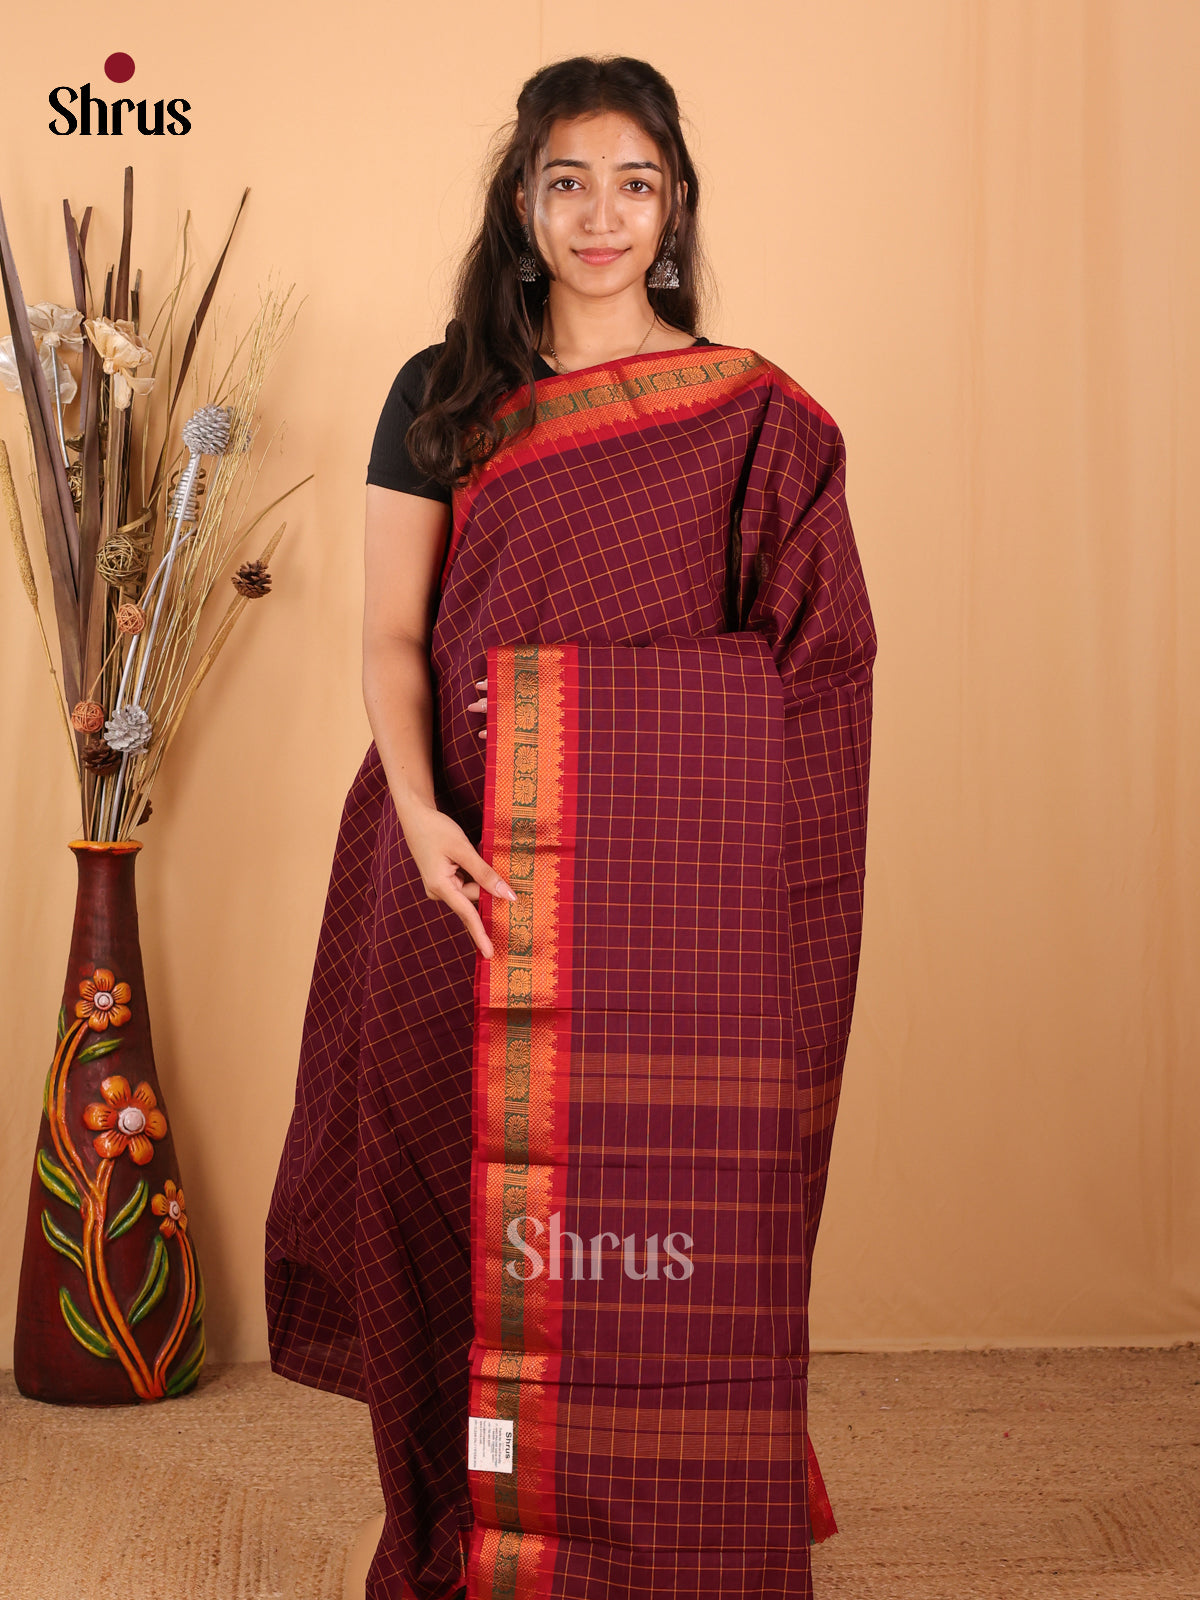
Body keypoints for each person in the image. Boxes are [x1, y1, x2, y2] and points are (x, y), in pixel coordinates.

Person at [266, 53, 875, 1600]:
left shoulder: (751, 420)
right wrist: (419, 816)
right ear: (522, 207)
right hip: (452, 863)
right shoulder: (445, 392)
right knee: (444, 1202)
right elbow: (392, 638)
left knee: (644, 1220)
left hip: (664, 896)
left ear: (674, 209)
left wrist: (613, 750)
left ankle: (654, 1525)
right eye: (567, 182)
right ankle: (453, 1529)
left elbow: (816, 670)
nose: (602, 215)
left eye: (634, 183)